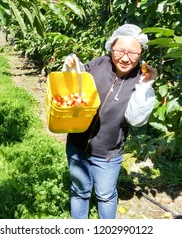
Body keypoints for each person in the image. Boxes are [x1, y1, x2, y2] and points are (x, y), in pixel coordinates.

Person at [62, 24, 157, 219]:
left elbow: (136, 120)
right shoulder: (100, 64)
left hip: (108, 153)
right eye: (119, 51)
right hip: (77, 144)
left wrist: (144, 89)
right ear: (110, 47)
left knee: (105, 195)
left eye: (132, 53)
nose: (124, 57)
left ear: (141, 54)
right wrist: (73, 68)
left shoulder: (141, 80)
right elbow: (79, 84)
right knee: (79, 191)